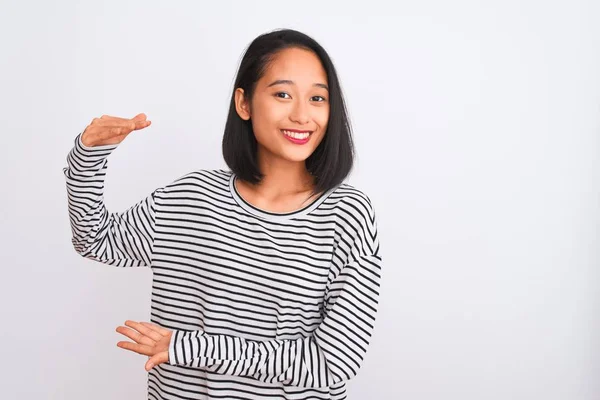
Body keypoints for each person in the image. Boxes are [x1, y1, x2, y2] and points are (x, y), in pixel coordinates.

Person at [63, 28, 383, 400]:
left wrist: (189, 347)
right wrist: (87, 158)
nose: (301, 114)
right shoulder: (191, 197)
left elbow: (333, 362)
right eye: (282, 94)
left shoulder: (347, 215)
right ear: (243, 103)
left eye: (317, 98)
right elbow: (95, 240)